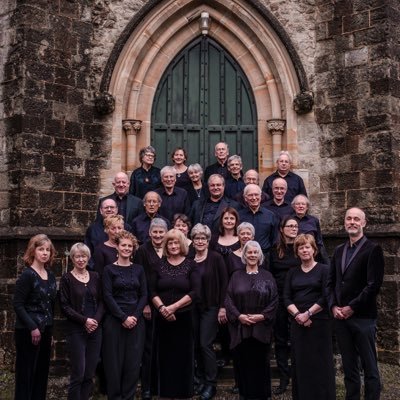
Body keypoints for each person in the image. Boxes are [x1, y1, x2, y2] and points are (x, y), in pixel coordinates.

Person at [328, 207, 384, 400]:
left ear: (364, 223)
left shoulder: (373, 249)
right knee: (349, 367)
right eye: (348, 219)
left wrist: (351, 307)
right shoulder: (338, 250)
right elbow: (331, 283)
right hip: (341, 319)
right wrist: (333, 306)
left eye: (356, 219)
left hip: (363, 318)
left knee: (370, 367)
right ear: (344, 222)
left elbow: (373, 286)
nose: (352, 222)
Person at [283, 234, 335, 400]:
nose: (304, 250)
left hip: (319, 322)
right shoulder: (292, 272)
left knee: (320, 363)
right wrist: (298, 315)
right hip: (298, 323)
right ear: (297, 252)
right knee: (301, 363)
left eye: (307, 247)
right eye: (301, 247)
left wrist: (309, 313)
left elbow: (326, 296)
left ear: (314, 250)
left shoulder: (325, 270)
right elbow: (286, 297)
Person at [225, 241, 278, 400]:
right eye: (249, 252)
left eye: (256, 252)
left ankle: (262, 396)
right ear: (244, 255)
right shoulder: (236, 275)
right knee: (243, 363)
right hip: (241, 329)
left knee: (260, 364)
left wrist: (262, 316)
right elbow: (228, 299)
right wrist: (239, 316)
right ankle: (245, 395)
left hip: (261, 329)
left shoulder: (267, 276)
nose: (252, 255)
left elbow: (275, 300)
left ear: (260, 255)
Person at [150, 229, 198, 399]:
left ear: (182, 245)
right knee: (164, 356)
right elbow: (152, 290)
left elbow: (195, 292)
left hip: (184, 317)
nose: (173, 246)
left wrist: (173, 307)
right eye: (170, 243)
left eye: (176, 242)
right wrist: (163, 308)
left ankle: (183, 393)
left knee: (183, 356)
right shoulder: (159, 265)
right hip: (162, 318)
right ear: (166, 245)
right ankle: (165, 392)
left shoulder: (191, 264)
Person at [102, 230, 147, 400]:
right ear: (118, 247)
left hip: (136, 322)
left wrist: (134, 316)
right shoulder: (108, 269)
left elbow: (144, 295)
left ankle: (128, 397)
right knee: (113, 363)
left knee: (133, 363)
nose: (127, 248)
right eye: (124, 245)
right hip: (114, 321)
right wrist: (123, 317)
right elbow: (107, 296)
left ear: (133, 249)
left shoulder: (139, 269)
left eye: (130, 246)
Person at [13, 234, 57, 400]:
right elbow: (18, 304)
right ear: (33, 251)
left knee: (41, 375)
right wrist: (33, 328)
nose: (45, 253)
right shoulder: (27, 275)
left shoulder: (51, 276)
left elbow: (50, 307)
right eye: (41, 249)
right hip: (27, 331)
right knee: (26, 375)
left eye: (47, 250)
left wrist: (49, 332)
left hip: (45, 331)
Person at [59, 243, 104, 400]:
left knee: (89, 374)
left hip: (95, 330)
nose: (80, 259)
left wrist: (95, 321)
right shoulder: (67, 279)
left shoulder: (96, 276)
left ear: (88, 258)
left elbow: (102, 303)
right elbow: (64, 306)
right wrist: (85, 321)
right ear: (72, 258)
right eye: (77, 256)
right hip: (76, 330)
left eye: (83, 256)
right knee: (78, 374)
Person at [191, 224, 228, 400]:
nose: (200, 241)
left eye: (203, 238)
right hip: (192, 308)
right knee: (196, 344)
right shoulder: (189, 258)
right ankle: (200, 379)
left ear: (208, 240)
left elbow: (224, 283)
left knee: (206, 344)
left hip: (211, 307)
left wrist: (222, 307)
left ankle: (211, 384)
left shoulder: (216, 258)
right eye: (197, 238)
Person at [134, 218, 168, 400]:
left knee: (165, 346)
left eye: (161, 232)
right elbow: (140, 278)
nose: (158, 235)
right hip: (150, 306)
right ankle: (147, 387)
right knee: (149, 348)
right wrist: (146, 303)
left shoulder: (171, 247)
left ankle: (163, 385)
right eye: (155, 232)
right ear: (149, 233)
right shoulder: (142, 251)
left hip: (168, 304)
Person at [268, 216, 300, 395]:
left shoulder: (302, 247)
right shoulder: (275, 250)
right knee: (280, 340)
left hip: (299, 300)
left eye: (296, 226)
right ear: (282, 229)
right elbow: (270, 274)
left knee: (297, 340)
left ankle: (298, 376)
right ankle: (283, 378)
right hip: (280, 300)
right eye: (290, 226)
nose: (294, 229)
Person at [85, 198, 132, 270]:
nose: (109, 209)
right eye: (106, 207)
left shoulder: (126, 227)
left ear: (116, 210)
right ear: (101, 211)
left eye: (112, 207)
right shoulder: (92, 229)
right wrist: (93, 269)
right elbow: (87, 251)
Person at [239, 184, 278, 256]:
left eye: (256, 195)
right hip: (244, 256)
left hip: (265, 256)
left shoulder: (270, 215)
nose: (254, 198)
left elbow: (274, 239)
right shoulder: (239, 216)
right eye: (250, 195)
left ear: (261, 196)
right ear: (245, 198)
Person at [291, 194, 329, 264]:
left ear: (307, 207)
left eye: (303, 204)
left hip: (311, 256)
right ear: (293, 206)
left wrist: (325, 261)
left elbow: (319, 241)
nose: (300, 206)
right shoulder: (289, 220)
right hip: (294, 256)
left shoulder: (314, 220)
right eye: (298, 204)